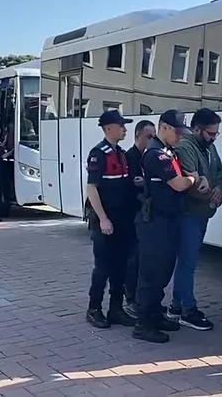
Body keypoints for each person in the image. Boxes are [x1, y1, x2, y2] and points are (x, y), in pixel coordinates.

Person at [133, 110, 202, 343]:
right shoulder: (156, 154)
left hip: (167, 220)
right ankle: (143, 323)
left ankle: (154, 314)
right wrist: (193, 178)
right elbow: (179, 183)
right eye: (177, 131)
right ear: (164, 127)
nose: (181, 136)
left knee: (163, 271)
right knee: (151, 273)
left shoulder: (166, 151)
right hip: (155, 222)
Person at [165, 108, 222, 331]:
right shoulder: (186, 147)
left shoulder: (208, 147)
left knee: (187, 262)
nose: (214, 138)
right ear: (197, 129)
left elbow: (220, 173)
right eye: (211, 133)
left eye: (216, 134)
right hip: (189, 213)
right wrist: (212, 196)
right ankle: (187, 310)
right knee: (188, 262)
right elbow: (191, 182)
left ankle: (177, 306)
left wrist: (219, 188)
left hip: (201, 213)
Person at [84, 110, 138, 329]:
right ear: (108, 128)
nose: (125, 129)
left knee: (121, 267)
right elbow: (92, 189)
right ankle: (94, 309)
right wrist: (103, 219)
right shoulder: (99, 153)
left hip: (123, 219)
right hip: (106, 220)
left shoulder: (121, 153)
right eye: (121, 125)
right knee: (103, 267)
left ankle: (116, 309)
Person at [123, 119, 156, 319]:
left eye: (154, 136)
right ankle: (131, 298)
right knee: (133, 259)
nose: (152, 140)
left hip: (147, 215)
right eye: (148, 136)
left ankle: (143, 298)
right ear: (138, 136)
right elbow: (127, 184)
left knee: (146, 259)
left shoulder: (152, 156)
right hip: (133, 214)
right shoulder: (130, 157)